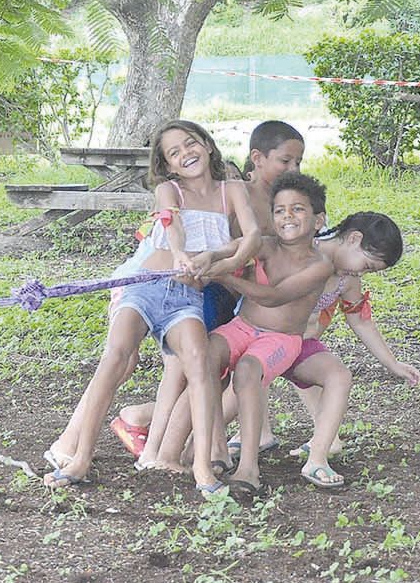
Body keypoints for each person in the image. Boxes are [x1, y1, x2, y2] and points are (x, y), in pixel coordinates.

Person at [44, 120, 259, 490]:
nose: (185, 154)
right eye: (174, 153)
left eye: (190, 144)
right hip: (146, 285)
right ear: (168, 166)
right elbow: (170, 222)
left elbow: (252, 238)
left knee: (199, 364)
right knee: (116, 357)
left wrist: (216, 261)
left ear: (207, 146)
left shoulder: (233, 190)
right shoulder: (168, 189)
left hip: (186, 299)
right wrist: (180, 254)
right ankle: (79, 458)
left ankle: (202, 469)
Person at [112, 119, 306, 457]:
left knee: (210, 372)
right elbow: (163, 237)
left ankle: (198, 446)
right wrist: (204, 263)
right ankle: (158, 447)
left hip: (225, 293)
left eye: (298, 162)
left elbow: (255, 249)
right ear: (257, 159)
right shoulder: (227, 191)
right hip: (183, 288)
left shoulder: (277, 200)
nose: (294, 169)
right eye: (286, 161)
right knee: (182, 369)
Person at [210, 192, 402, 496]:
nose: (361, 273)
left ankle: (318, 458)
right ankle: (148, 423)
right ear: (353, 239)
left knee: (339, 375)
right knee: (218, 410)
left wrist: (394, 365)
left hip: (297, 347)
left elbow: (361, 321)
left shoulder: (347, 280)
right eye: (366, 266)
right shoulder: (302, 250)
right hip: (259, 339)